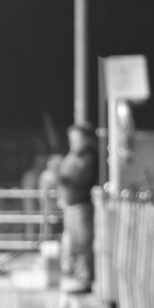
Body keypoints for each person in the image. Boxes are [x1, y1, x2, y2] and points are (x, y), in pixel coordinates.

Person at [58, 123, 100, 294]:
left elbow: (77, 177)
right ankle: (78, 276)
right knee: (74, 245)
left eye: (76, 138)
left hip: (82, 206)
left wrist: (65, 175)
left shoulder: (88, 156)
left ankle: (86, 279)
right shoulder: (75, 155)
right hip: (72, 206)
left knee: (83, 245)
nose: (73, 142)